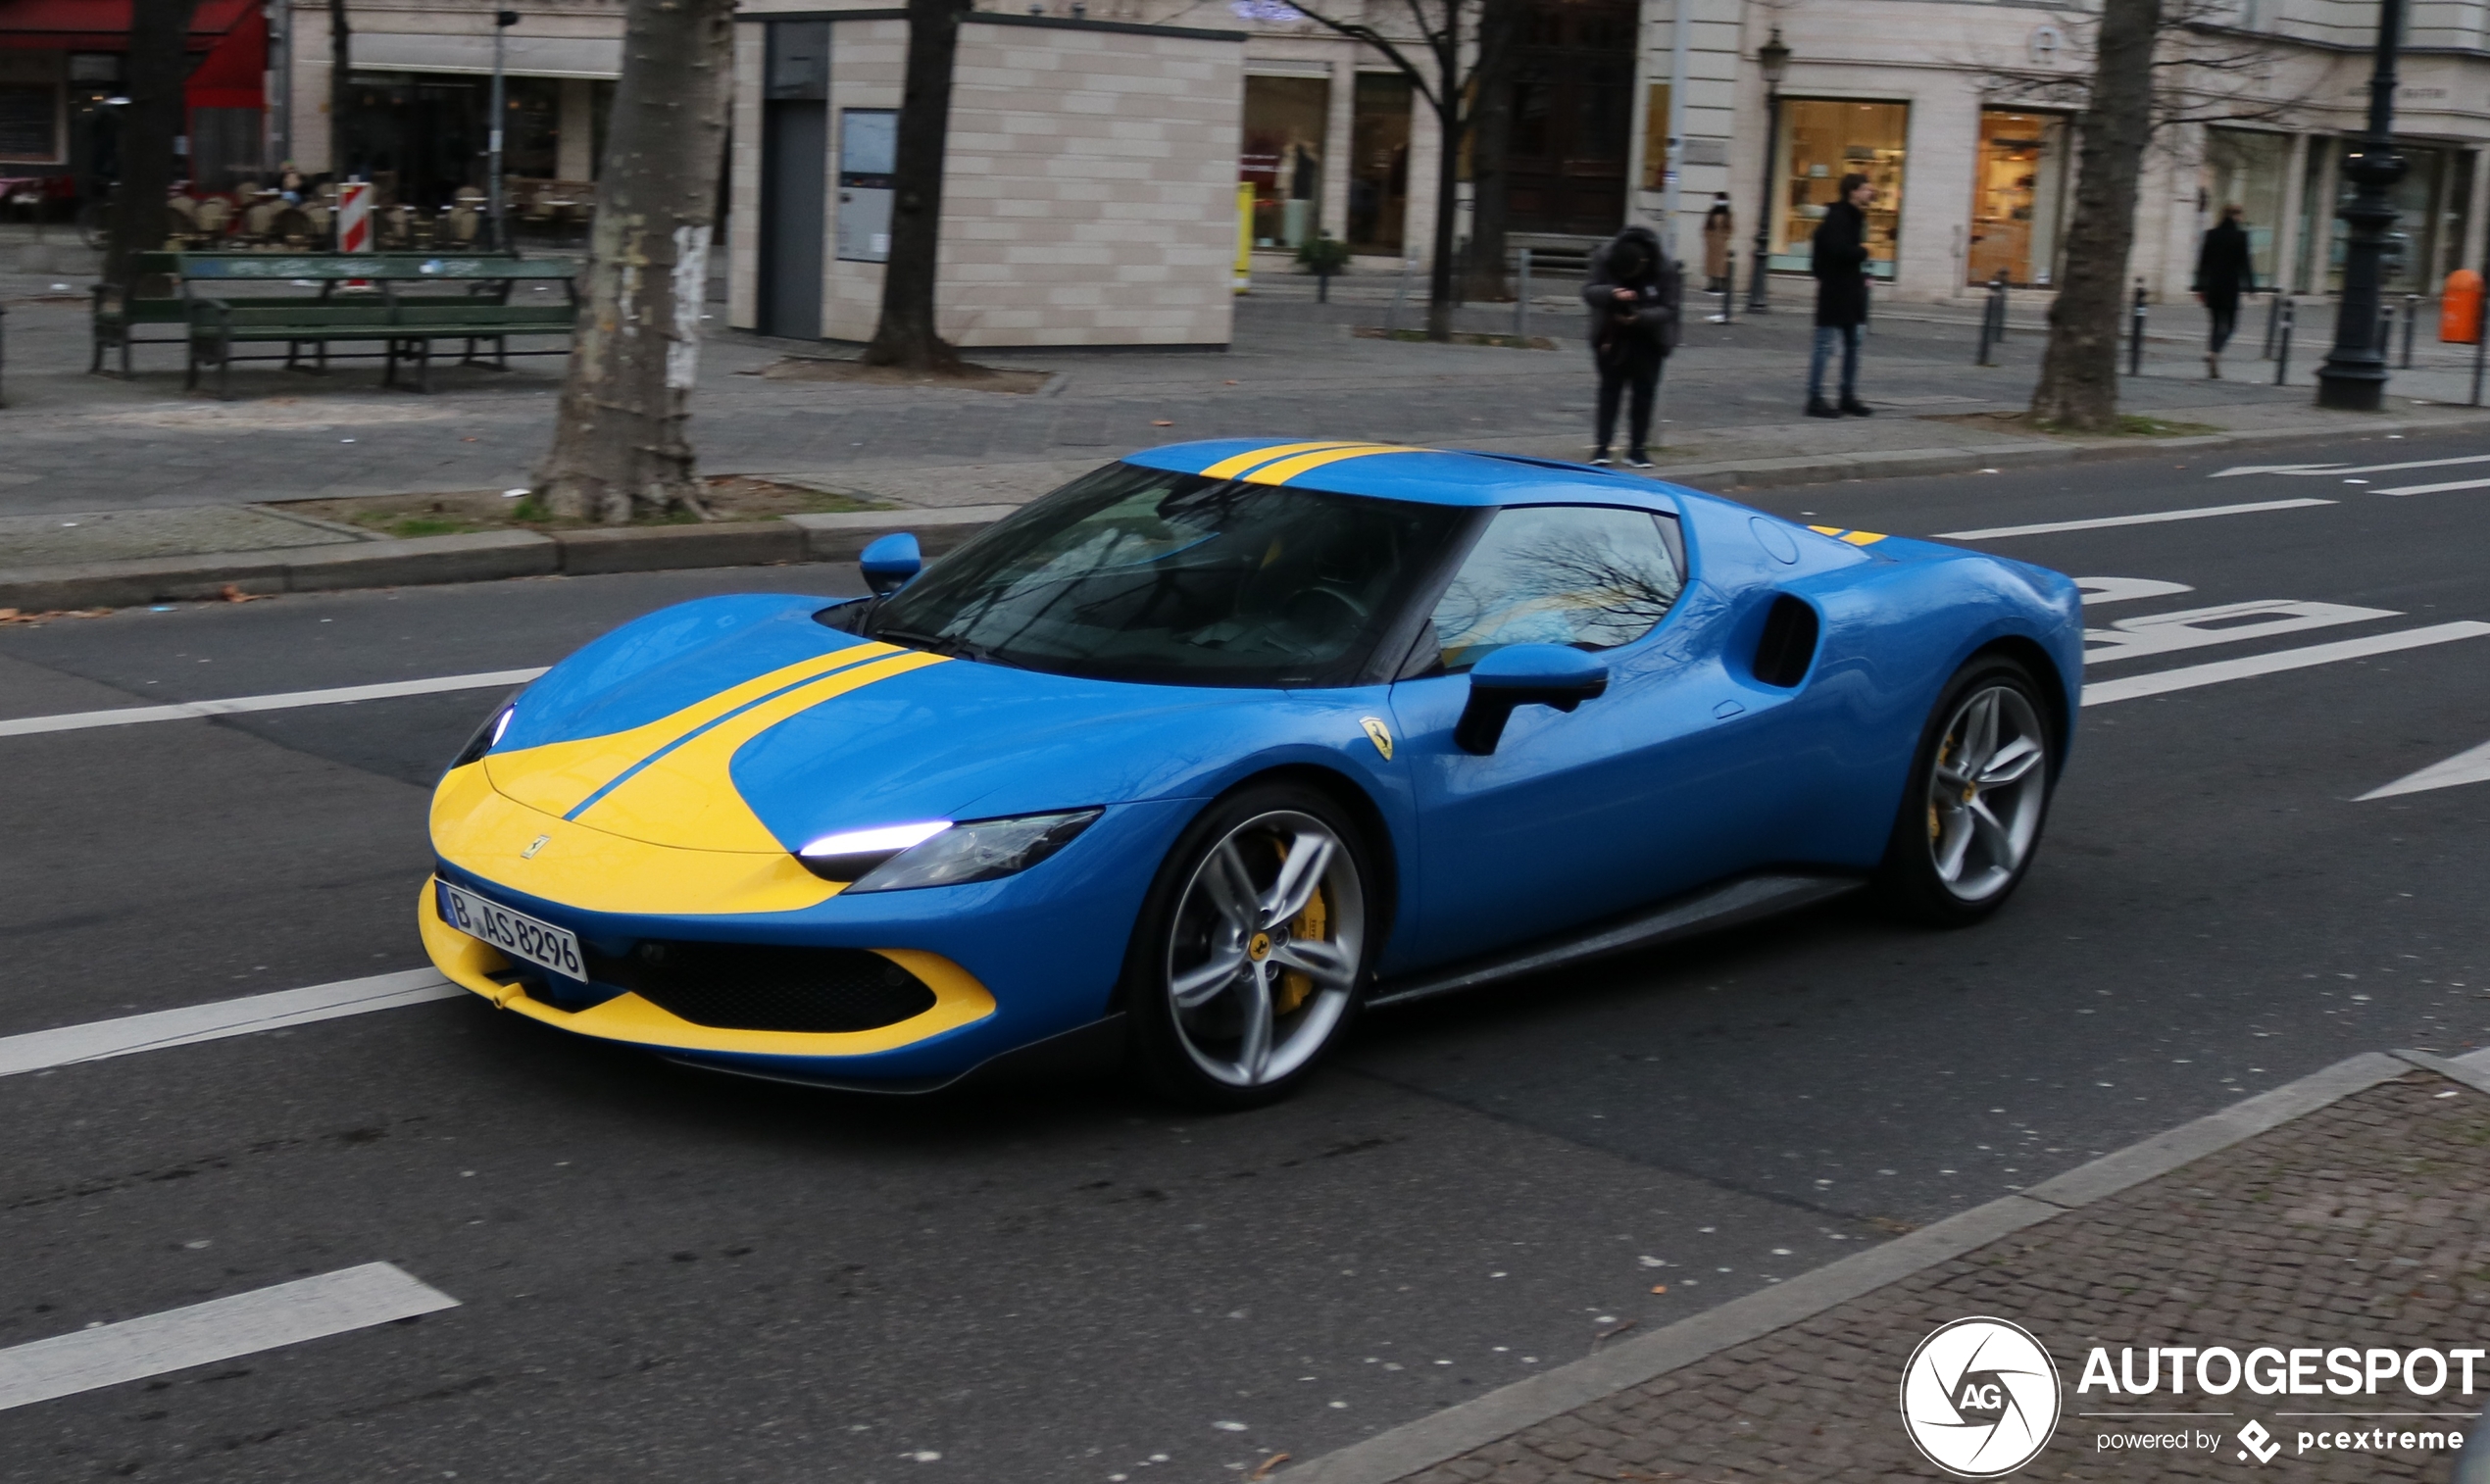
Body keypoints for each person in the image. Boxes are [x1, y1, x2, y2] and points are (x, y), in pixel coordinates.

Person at [1581, 223, 1682, 469]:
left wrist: (1641, 316)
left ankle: (1637, 449)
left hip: (1649, 339)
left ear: (1645, 261)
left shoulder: (1664, 268)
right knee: (1609, 391)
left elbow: (1670, 308)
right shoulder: (1606, 257)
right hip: (1611, 335)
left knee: (1644, 394)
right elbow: (1589, 291)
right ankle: (1602, 447)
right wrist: (1613, 293)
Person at [1806, 173, 1876, 419]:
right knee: (1824, 345)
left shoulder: (1854, 216)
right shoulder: (1839, 216)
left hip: (1850, 290)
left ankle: (1847, 395)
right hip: (1836, 290)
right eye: (1867, 188)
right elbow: (1836, 250)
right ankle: (1814, 398)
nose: (1871, 192)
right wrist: (1863, 251)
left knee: (1853, 344)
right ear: (1853, 191)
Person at [2194, 204, 2256, 379]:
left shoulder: (2211, 234)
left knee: (2214, 325)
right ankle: (2215, 351)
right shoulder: (2241, 236)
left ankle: (2211, 354)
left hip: (2212, 287)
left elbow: (2203, 263)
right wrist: (2251, 288)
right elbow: (2245, 264)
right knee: (2230, 326)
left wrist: (2199, 287)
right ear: (2237, 216)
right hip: (2231, 286)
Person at [1702, 194, 1734, 294]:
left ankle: (1720, 285)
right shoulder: (1711, 214)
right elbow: (1706, 228)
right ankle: (1712, 285)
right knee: (1711, 265)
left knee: (1720, 266)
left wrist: (1724, 238)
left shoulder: (1728, 215)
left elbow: (1730, 229)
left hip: (1721, 245)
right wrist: (1709, 239)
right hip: (1711, 244)